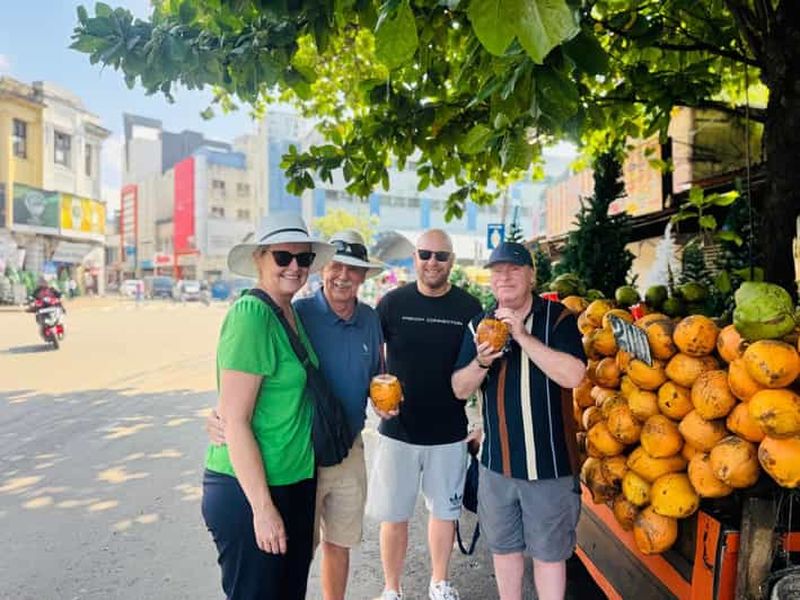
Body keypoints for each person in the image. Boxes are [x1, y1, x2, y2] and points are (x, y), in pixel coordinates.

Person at [207, 229, 386, 600]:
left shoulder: (307, 315)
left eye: (302, 258)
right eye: (282, 257)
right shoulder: (282, 313)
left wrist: (383, 400)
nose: (343, 275)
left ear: (364, 276)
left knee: (308, 560)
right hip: (297, 459)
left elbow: (373, 377)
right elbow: (239, 395)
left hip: (325, 456)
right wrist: (223, 417)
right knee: (271, 573)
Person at [201, 212, 335, 600]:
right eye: (282, 256)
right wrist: (262, 508)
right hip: (253, 490)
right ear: (259, 258)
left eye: (304, 258)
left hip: (294, 481)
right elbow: (236, 420)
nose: (294, 266)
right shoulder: (251, 315)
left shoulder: (289, 312)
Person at [451, 242, 587, 600]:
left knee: (549, 555)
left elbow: (574, 375)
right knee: (504, 550)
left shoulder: (558, 318)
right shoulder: (478, 325)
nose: (505, 276)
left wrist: (523, 337)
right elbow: (459, 389)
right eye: (497, 271)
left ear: (531, 276)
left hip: (551, 466)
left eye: (514, 269)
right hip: (497, 465)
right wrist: (482, 362)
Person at [369, 229, 482, 600]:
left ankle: (439, 582)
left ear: (452, 261)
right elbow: (373, 358)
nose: (433, 262)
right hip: (397, 431)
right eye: (425, 254)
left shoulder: (469, 308)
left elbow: (485, 367)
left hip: (449, 432)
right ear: (415, 258)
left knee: (445, 513)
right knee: (394, 515)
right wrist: (375, 396)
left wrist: (482, 424)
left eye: (441, 256)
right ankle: (391, 588)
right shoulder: (391, 303)